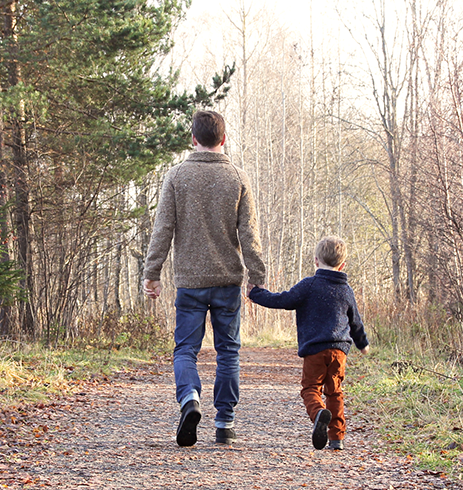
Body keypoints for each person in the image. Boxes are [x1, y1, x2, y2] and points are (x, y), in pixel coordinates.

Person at [143, 110, 265, 447]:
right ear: (223, 140)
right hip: (228, 281)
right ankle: (224, 422)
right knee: (228, 352)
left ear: (192, 139)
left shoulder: (176, 176)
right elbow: (249, 234)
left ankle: (190, 399)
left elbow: (162, 229)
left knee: (185, 350)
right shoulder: (238, 178)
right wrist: (257, 276)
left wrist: (152, 274)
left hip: (190, 283)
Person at [249, 236, 369, 451]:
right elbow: (355, 321)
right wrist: (362, 344)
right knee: (335, 391)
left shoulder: (309, 285)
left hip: (315, 350)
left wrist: (256, 293)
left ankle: (317, 414)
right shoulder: (346, 290)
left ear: (316, 261)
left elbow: (283, 300)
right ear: (343, 265)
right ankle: (336, 438)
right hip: (339, 351)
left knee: (311, 388)